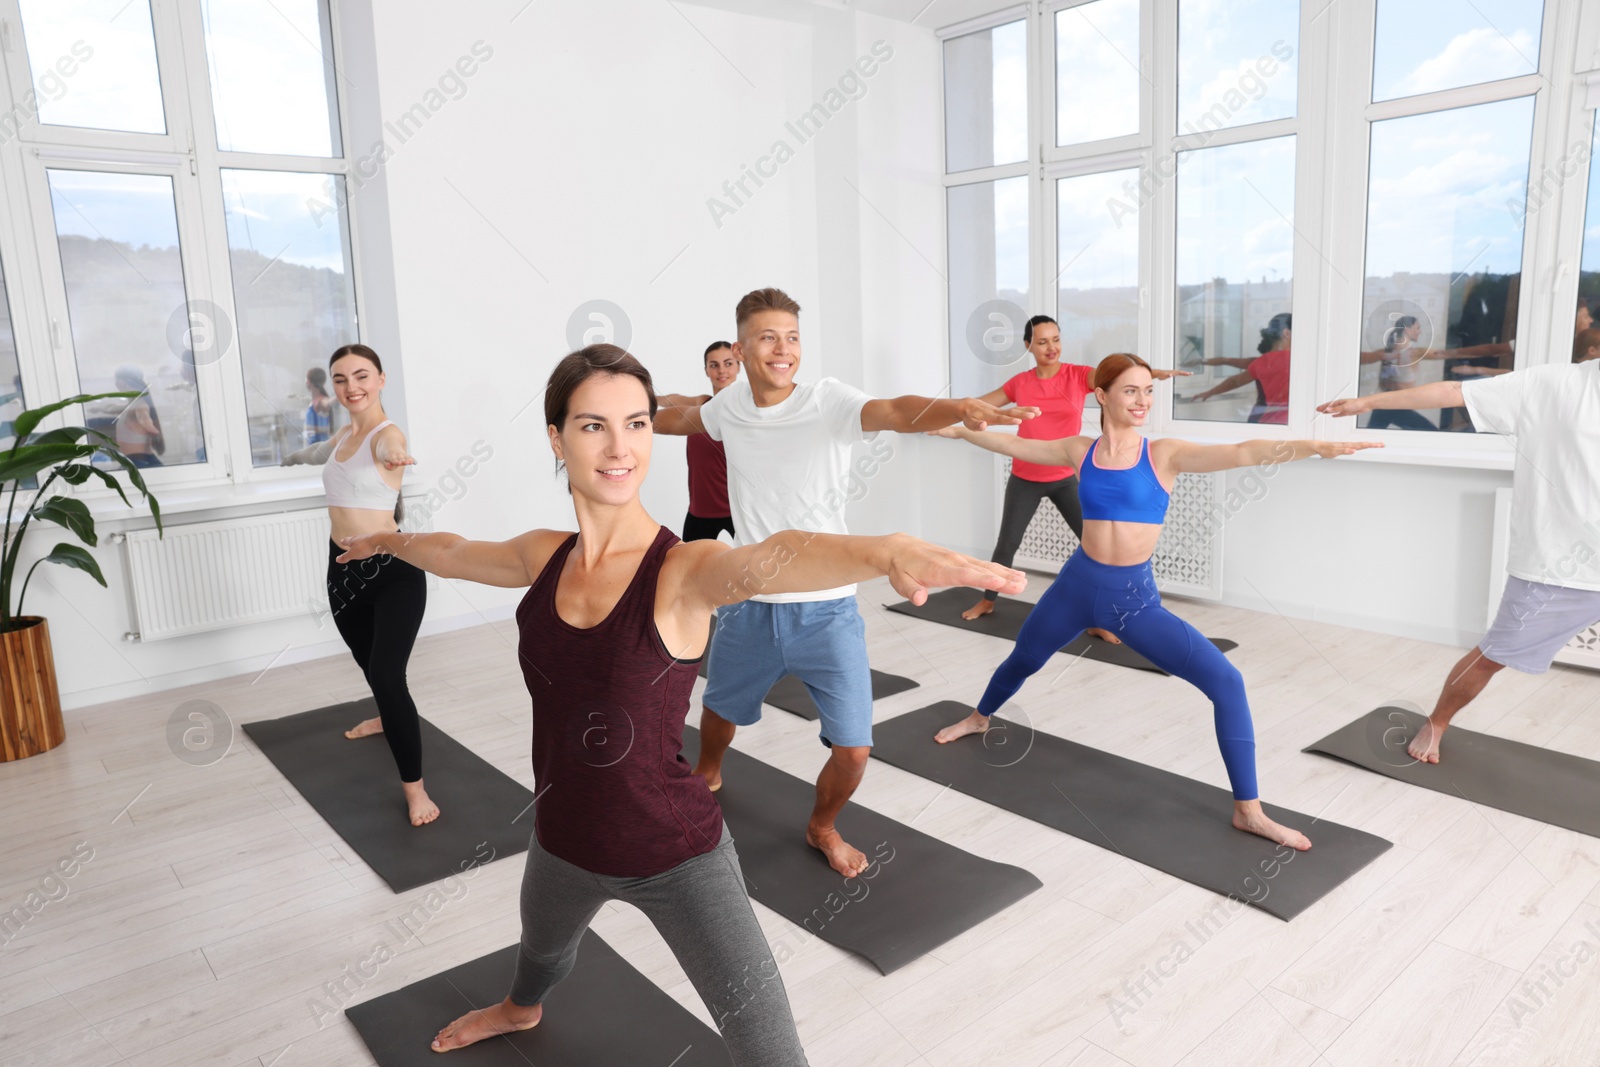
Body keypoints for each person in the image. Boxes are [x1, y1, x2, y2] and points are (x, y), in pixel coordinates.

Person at [337, 344, 1024, 1061]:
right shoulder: (543, 556)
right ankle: (519, 1009)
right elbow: (451, 549)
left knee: (771, 1050)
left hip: (675, 854)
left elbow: (773, 556)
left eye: (636, 423)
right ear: (556, 438)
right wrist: (387, 537)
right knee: (540, 959)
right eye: (594, 425)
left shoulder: (682, 569)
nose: (620, 446)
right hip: (561, 839)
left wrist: (886, 548)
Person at [931, 353, 1384, 849]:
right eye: (1130, 390)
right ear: (1101, 396)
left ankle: (1249, 810)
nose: (1143, 400)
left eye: (1148, 390)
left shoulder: (1164, 455)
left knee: (1226, 682)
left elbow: (1246, 451)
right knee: (1024, 658)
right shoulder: (1079, 451)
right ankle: (980, 717)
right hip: (1075, 585)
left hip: (1133, 601)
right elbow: (1010, 443)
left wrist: (1315, 447)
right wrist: (960, 432)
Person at [652, 287, 1033, 877]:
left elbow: (896, 411)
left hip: (826, 612)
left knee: (854, 751)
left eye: (793, 337)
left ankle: (822, 826)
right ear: (741, 346)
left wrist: (956, 407)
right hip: (751, 604)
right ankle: (709, 769)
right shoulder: (727, 408)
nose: (783, 350)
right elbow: (678, 418)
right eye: (769, 337)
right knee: (721, 710)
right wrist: (614, 413)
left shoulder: (826, 401)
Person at [1319, 357, 1600, 764]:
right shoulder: (1556, 384)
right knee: (1492, 657)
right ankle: (1437, 721)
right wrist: (1368, 402)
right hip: (1559, 565)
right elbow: (1454, 392)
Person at [959, 314, 1189, 633]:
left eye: (1056, 339)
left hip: (1068, 476)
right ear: (1028, 346)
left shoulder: (1079, 376)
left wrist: (1151, 374)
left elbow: (1117, 378)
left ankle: (1101, 618)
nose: (1051, 347)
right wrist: (944, 412)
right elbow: (980, 406)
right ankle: (987, 600)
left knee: (1096, 547)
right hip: (1026, 476)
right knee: (1007, 543)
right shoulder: (1020, 383)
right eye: (1042, 342)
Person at [312, 344, 433, 826]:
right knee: (369, 664)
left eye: (361, 376)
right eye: (340, 379)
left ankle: (416, 791)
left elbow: (388, 449)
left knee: (387, 674)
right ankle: (387, 715)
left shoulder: (387, 435)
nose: (351, 387)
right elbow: (331, 462)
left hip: (391, 570)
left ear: (381, 379)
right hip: (341, 568)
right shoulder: (343, 434)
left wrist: (396, 455)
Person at [657, 341, 740, 542]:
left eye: (728, 363)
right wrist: (641, 396)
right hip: (700, 512)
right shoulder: (701, 405)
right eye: (714, 365)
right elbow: (671, 400)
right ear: (706, 370)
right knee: (689, 569)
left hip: (739, 512)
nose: (722, 370)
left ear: (739, 366)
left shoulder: (746, 410)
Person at [1189, 314, 1291, 424]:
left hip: (1264, 419)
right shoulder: (1294, 360)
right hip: (1278, 421)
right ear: (1286, 333)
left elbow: (1232, 374)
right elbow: (1230, 368)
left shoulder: (1261, 362)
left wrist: (1209, 392)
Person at [1359, 316, 1439, 431]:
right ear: (1407, 330)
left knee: (1372, 434)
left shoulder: (1414, 353)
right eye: (1417, 328)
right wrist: (1383, 356)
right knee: (1431, 432)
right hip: (1392, 405)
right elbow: (1357, 358)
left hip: (1389, 404)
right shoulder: (1391, 353)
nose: (1420, 331)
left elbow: (1443, 354)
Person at [114, 365, 165, 468]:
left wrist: (148, 425)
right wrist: (98, 409)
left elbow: (143, 415)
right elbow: (114, 408)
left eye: (115, 380)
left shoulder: (140, 404)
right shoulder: (132, 405)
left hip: (137, 463)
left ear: (121, 382)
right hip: (140, 461)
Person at [305, 366, 333, 445]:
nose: (306, 383)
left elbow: (327, 403)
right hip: (312, 445)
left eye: (307, 379)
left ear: (310, 382)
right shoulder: (314, 401)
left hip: (320, 446)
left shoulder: (322, 401)